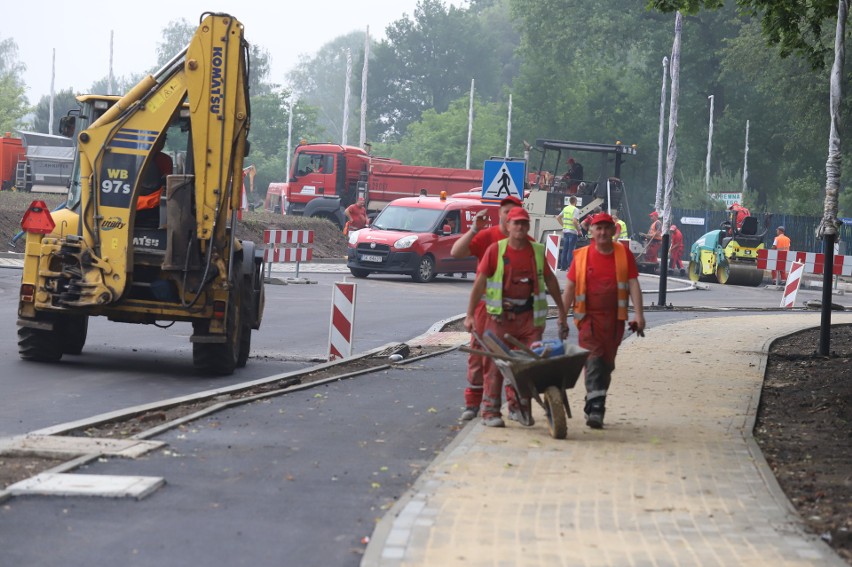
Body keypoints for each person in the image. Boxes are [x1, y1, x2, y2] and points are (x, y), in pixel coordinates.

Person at [463, 207, 568, 427]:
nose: (520, 227)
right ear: (508, 226)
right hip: (500, 319)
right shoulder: (496, 250)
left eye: (523, 223)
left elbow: (551, 282)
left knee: (527, 365)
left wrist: (561, 311)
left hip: (529, 320)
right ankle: (490, 412)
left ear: (528, 226)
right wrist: (470, 315)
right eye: (516, 223)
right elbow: (480, 283)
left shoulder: (538, 251)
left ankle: (520, 408)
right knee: (495, 365)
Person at [562, 212, 646, 429]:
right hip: (588, 320)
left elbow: (633, 284)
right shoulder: (580, 256)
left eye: (606, 228)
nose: (602, 232)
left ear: (613, 230)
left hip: (615, 322)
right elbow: (570, 289)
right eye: (598, 228)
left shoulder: (623, 254)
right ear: (591, 232)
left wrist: (639, 315)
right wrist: (562, 317)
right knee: (594, 360)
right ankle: (597, 408)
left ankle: (594, 400)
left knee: (606, 365)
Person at [451, 196, 526, 421]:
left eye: (514, 213)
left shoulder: (527, 242)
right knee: (479, 358)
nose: (509, 217)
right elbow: (456, 252)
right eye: (506, 212)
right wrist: (474, 229)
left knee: (513, 358)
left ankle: (513, 406)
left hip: (516, 313)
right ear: (501, 215)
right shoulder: (487, 237)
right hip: (486, 310)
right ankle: (473, 404)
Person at [136, 136, 173, 227]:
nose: (161, 143)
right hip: (146, 205)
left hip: (152, 204)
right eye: (159, 140)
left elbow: (167, 181)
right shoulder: (135, 157)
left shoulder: (165, 159)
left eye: (163, 140)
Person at [555, 196, 580, 270]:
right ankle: (570, 266)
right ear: (575, 201)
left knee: (565, 249)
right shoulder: (575, 209)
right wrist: (578, 230)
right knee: (571, 249)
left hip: (565, 231)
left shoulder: (565, 208)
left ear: (569, 201)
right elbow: (575, 221)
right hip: (572, 232)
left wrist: (563, 225)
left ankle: (563, 267)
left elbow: (558, 217)